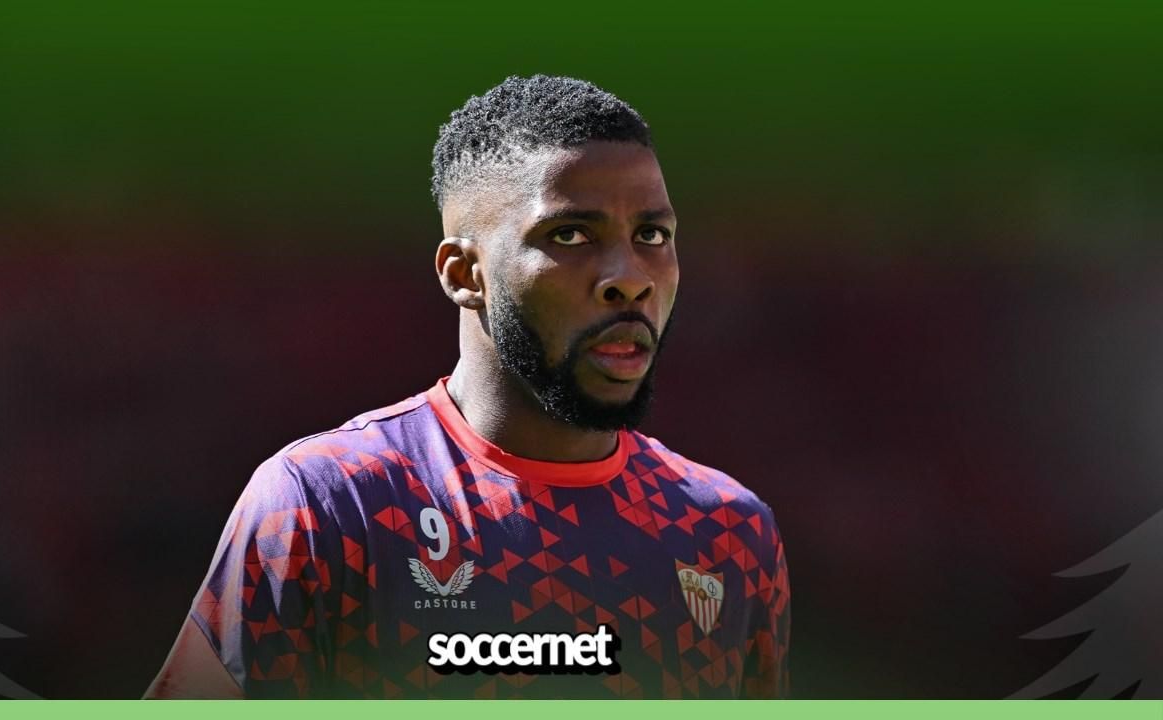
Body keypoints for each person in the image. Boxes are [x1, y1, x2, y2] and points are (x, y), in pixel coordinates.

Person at [145, 74, 790, 699]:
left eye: (652, 235)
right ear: (465, 273)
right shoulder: (329, 506)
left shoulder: (730, 533)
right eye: (570, 235)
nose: (630, 278)